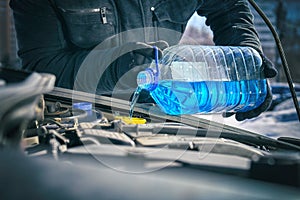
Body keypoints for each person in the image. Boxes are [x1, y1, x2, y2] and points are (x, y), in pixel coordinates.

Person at [10, 0, 277, 121]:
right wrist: (116, 67)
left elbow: (229, 7)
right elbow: (43, 68)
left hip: (164, 109)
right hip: (80, 121)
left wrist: (246, 55)